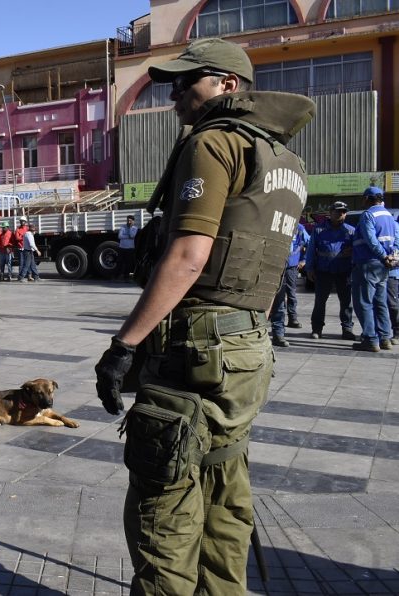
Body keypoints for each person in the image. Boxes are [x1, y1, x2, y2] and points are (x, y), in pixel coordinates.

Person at [94, 38, 314, 594]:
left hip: (194, 346)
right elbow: (266, 274)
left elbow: (190, 256)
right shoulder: (286, 162)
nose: (174, 96)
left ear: (227, 86)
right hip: (247, 344)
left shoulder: (214, 142)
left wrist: (123, 347)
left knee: (163, 506)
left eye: (186, 83)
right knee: (223, 489)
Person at [350, 185, 396, 352]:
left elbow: (371, 240)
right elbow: (396, 240)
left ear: (368, 199)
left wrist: (383, 256)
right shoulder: (390, 217)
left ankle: (370, 339)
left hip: (368, 263)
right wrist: (391, 258)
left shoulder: (368, 215)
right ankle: (385, 338)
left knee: (364, 302)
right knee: (380, 302)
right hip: (383, 266)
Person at [306, 201, 355, 340]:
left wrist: (353, 251)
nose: (341, 214)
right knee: (320, 301)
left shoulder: (351, 231)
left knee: (346, 302)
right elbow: (311, 250)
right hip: (323, 271)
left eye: (343, 212)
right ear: (330, 212)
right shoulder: (319, 229)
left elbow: (358, 249)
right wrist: (309, 268)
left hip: (344, 271)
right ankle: (317, 329)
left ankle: (347, 329)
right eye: (338, 211)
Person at [270, 223, 309, 347]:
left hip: (290, 267)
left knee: (286, 296)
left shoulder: (299, 228)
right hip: (271, 267)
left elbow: (309, 243)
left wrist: (304, 260)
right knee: (272, 299)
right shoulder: (274, 221)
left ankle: (280, 331)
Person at [387, 216, 399, 345]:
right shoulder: (393, 225)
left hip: (393, 271)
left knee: (393, 303)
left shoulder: (394, 226)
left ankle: (397, 332)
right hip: (390, 271)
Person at [117, 215, 138, 281]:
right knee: (120, 262)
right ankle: (118, 275)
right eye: (128, 220)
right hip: (122, 247)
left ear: (133, 221)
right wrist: (128, 236)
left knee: (128, 263)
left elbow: (132, 236)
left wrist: (129, 229)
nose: (128, 222)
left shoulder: (135, 228)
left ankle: (126, 276)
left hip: (130, 248)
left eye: (130, 221)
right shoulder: (122, 227)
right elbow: (119, 236)